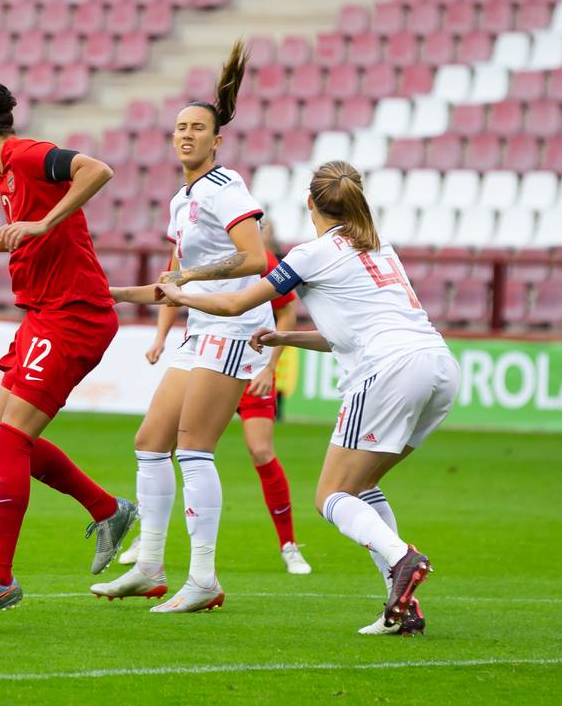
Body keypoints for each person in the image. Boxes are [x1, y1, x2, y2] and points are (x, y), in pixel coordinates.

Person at [119, 161, 456, 635]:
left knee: (331, 496)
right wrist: (284, 340)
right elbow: (348, 334)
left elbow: (237, 303)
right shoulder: (381, 249)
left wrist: (182, 292)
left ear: (309, 202)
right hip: (438, 365)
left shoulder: (309, 254)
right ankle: (402, 608)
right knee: (362, 486)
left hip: (388, 370)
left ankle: (404, 559)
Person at [0, 73, 137, 624]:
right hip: (45, 311)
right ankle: (107, 509)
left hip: (74, 314)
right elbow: (17, 233)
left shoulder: (25, 154)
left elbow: (97, 170)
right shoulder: (6, 175)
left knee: (14, 437)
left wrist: (46, 219)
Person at [91, 40, 294, 612]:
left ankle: (203, 577)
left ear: (216, 139)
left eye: (197, 128)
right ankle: (151, 566)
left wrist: (190, 280)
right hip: (198, 328)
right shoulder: (182, 199)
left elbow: (255, 260)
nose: (186, 134)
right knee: (149, 443)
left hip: (233, 328)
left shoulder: (227, 187)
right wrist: (101, 292)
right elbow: (173, 282)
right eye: (179, 127)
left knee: (193, 449)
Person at [117, 217, 312, 576]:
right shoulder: (195, 255)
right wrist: (161, 338)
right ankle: (149, 542)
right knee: (160, 444)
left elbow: (287, 311)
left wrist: (270, 367)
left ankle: (287, 545)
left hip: (245, 363)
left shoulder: (262, 262)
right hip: (202, 357)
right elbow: (168, 294)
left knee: (258, 450)